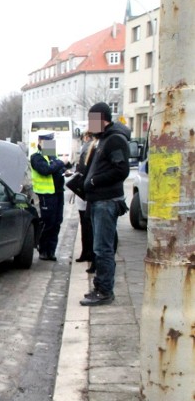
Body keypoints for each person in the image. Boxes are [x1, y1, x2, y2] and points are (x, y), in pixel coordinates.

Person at [80, 102, 131, 306]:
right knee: (99, 247)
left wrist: (94, 181)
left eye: (92, 120)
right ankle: (100, 286)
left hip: (106, 201)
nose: (90, 125)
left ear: (102, 119)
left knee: (103, 249)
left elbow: (121, 170)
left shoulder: (114, 140)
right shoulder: (103, 140)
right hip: (98, 201)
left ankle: (104, 291)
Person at [30, 134, 68, 261]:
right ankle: (43, 250)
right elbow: (46, 170)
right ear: (40, 142)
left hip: (58, 192)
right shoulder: (36, 157)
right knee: (48, 223)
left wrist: (63, 168)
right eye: (48, 142)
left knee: (57, 222)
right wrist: (59, 163)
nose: (50, 145)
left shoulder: (52, 155)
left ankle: (51, 251)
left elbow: (58, 167)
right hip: (46, 194)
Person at [74, 132, 97, 266]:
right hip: (87, 190)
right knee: (88, 224)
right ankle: (88, 253)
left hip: (85, 191)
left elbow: (82, 168)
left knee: (86, 224)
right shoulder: (93, 148)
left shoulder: (88, 148)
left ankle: (87, 252)